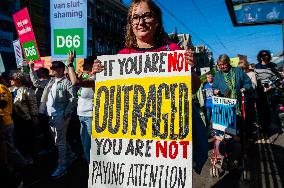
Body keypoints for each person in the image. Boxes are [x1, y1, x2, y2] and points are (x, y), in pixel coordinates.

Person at [118, 0, 207, 174]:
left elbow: (194, 88)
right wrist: (99, 74)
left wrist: (188, 70)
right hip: (137, 138)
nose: (141, 22)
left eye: (147, 15)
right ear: (130, 23)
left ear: (157, 20)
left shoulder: (172, 50)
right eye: (135, 17)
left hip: (168, 139)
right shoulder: (122, 56)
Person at [213, 54, 252, 169]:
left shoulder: (238, 71)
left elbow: (248, 83)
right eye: (220, 65)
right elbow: (214, 87)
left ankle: (236, 157)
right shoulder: (218, 75)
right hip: (224, 109)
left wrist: (245, 88)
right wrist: (215, 90)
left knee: (237, 133)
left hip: (238, 108)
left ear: (228, 62)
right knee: (224, 134)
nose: (222, 67)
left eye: (224, 64)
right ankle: (226, 157)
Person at [39, 61, 77, 179]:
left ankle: (62, 167)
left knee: (59, 142)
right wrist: (30, 69)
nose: (53, 69)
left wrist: (66, 114)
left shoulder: (66, 83)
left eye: (55, 67)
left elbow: (73, 99)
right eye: (52, 67)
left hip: (60, 116)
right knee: (57, 141)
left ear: (61, 69)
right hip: (50, 115)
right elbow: (36, 82)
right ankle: (71, 154)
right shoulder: (50, 81)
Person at [66, 53, 102, 164]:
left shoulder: (96, 78)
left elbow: (75, 82)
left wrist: (70, 64)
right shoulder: (89, 77)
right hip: (82, 116)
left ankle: (94, 170)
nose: (83, 67)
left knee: (91, 147)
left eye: (86, 65)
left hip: (91, 117)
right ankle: (90, 166)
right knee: (85, 145)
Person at [10, 72, 39, 162]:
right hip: (14, 119)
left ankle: (31, 156)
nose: (10, 81)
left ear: (18, 81)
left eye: (12, 79)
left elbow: (33, 105)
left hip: (25, 118)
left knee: (28, 138)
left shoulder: (27, 91)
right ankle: (23, 156)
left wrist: (34, 117)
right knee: (19, 138)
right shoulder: (9, 90)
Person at [255, 50, 281, 136]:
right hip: (260, 92)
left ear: (268, 56)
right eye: (262, 55)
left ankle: (278, 127)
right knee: (262, 111)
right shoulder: (257, 66)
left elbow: (278, 78)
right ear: (260, 57)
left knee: (274, 110)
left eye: (266, 55)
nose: (264, 56)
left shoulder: (273, 65)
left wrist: (270, 86)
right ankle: (265, 129)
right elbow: (256, 79)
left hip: (271, 91)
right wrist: (261, 87)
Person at [238, 59, 258, 139]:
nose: (242, 70)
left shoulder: (252, 74)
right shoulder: (239, 75)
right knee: (241, 116)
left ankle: (249, 133)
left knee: (249, 116)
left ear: (246, 67)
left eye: (243, 68)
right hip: (241, 99)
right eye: (240, 68)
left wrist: (245, 88)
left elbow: (254, 85)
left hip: (250, 98)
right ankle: (242, 133)